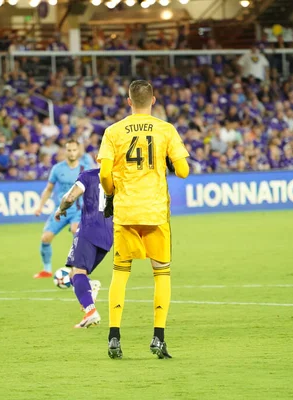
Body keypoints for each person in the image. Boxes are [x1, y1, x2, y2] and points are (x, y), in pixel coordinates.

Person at [97, 80, 190, 359]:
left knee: (120, 273)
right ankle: (158, 338)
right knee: (161, 274)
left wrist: (112, 192)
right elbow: (183, 171)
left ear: (128, 101)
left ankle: (114, 336)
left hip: (126, 213)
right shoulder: (166, 130)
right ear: (154, 100)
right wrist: (169, 162)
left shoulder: (113, 131)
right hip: (155, 213)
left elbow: (103, 175)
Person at [53, 168, 112, 329]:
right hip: (109, 234)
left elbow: (70, 197)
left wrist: (61, 208)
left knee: (77, 272)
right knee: (76, 273)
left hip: (89, 229)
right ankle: (90, 287)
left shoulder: (89, 175)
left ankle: (90, 312)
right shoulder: (121, 176)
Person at [33, 140, 91, 279]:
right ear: (65, 151)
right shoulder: (57, 169)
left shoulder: (85, 168)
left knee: (75, 230)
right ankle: (46, 270)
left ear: (78, 151)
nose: (72, 153)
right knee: (45, 238)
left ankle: (79, 270)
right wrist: (40, 206)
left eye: (74, 150)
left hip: (79, 209)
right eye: (69, 150)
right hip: (62, 209)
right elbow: (49, 189)